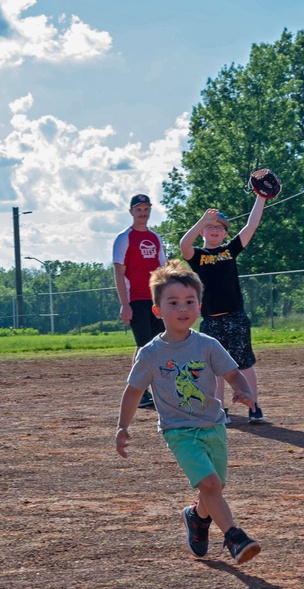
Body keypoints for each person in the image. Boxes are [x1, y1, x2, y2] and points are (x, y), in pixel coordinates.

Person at [115, 259, 261, 565]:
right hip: (178, 430)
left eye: (189, 302)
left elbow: (232, 373)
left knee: (215, 487)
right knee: (209, 483)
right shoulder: (150, 353)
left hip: (213, 425)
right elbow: (133, 391)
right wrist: (122, 426)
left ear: (199, 306)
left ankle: (196, 518)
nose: (182, 308)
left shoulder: (208, 345)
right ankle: (234, 536)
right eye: (173, 302)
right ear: (157, 310)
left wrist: (243, 390)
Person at [179, 173, 269, 423]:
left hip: (235, 317)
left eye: (219, 227)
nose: (215, 230)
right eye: (211, 227)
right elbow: (183, 245)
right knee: (214, 370)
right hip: (210, 320)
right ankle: (220, 411)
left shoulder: (230, 251)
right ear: (203, 232)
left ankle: (254, 408)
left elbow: (251, 226)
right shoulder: (196, 254)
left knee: (244, 365)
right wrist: (202, 220)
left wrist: (260, 198)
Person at [113, 193, 167, 408]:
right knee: (144, 345)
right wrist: (125, 304)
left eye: (146, 209)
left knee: (159, 344)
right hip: (135, 299)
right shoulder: (124, 237)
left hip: (155, 300)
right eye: (139, 209)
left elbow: (163, 270)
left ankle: (155, 389)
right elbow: (119, 272)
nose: (143, 213)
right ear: (131, 212)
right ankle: (140, 390)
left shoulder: (155, 238)